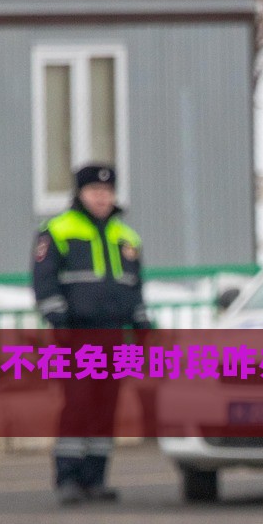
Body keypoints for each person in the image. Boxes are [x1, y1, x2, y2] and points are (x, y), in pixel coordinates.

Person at [32, 164, 151, 505]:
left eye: (107, 191)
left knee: (105, 406)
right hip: (76, 335)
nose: (101, 197)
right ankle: (68, 478)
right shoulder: (57, 230)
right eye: (94, 192)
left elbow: (135, 288)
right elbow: (44, 279)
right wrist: (57, 317)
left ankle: (95, 479)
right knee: (78, 405)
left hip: (114, 334)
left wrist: (141, 323)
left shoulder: (127, 238)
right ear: (80, 194)